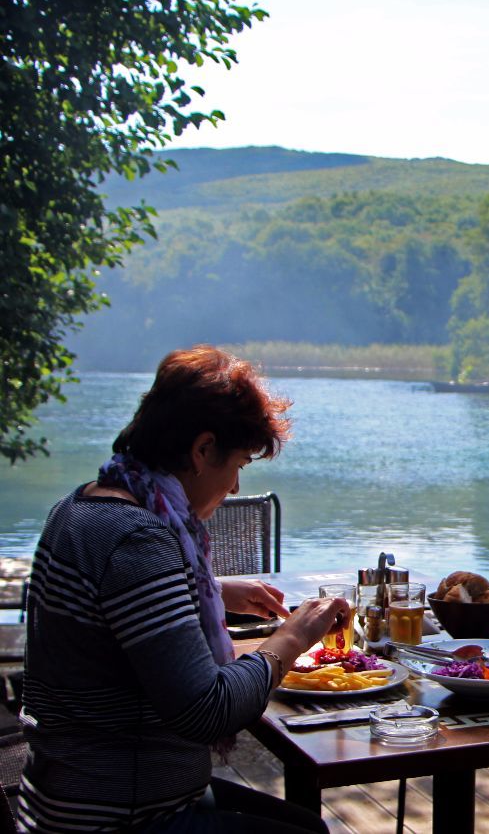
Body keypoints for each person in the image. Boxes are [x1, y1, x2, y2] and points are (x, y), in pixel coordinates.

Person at [18, 346, 348, 833]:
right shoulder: (137, 538)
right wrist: (294, 638)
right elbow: (206, 710)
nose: (235, 486)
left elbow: (112, 603)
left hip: (65, 793)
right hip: (116, 816)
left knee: (304, 824)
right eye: (239, 463)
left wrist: (212, 588)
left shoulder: (81, 505)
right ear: (201, 450)